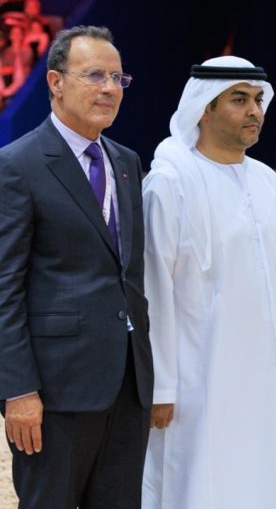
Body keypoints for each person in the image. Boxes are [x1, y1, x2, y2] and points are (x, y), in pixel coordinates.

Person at [0, 25, 152, 507]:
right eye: (94, 76)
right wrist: (17, 390)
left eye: (117, 78)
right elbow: (4, 288)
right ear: (55, 82)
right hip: (55, 394)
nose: (109, 88)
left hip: (128, 387)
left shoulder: (126, 162)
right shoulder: (17, 165)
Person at [140, 56, 276, 508]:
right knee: (196, 482)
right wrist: (161, 387)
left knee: (256, 478)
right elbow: (154, 290)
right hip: (195, 379)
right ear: (204, 108)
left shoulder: (267, 180)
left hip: (261, 375)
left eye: (258, 100)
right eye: (239, 100)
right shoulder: (170, 183)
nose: (255, 112)